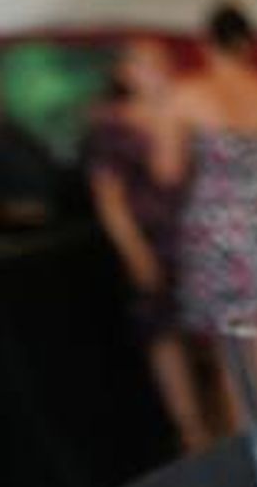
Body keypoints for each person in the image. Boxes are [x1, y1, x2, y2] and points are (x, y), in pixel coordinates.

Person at [154, 3, 257, 363]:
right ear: (250, 44)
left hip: (221, 235)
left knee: (242, 353)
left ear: (206, 43)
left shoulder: (186, 95)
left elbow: (168, 171)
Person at [82, 39, 209, 451]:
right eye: (146, 63)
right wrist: (136, 252)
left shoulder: (180, 113)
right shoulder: (111, 126)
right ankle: (191, 429)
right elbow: (110, 200)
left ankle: (214, 419)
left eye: (162, 62)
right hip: (151, 240)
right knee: (164, 334)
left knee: (202, 331)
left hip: (193, 238)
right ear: (125, 73)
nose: (158, 70)